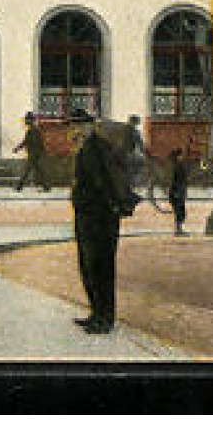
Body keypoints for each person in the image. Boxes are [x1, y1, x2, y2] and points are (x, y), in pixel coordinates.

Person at [69, 110, 135, 334]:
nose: (74, 131)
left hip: (97, 218)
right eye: (73, 126)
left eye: (79, 126)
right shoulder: (91, 148)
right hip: (93, 217)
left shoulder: (93, 150)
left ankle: (104, 318)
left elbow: (102, 183)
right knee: (91, 268)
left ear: (89, 126)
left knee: (99, 269)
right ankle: (97, 313)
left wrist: (109, 208)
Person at [13, 112, 52, 192]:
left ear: (30, 120)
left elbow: (29, 142)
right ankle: (46, 186)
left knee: (27, 170)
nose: (25, 121)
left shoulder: (33, 130)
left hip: (34, 154)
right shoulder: (32, 130)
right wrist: (17, 148)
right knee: (38, 171)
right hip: (35, 154)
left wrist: (18, 148)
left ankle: (19, 186)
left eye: (27, 120)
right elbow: (26, 142)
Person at [167, 147, 190, 235]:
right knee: (180, 212)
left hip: (177, 192)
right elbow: (174, 180)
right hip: (177, 192)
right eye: (181, 155)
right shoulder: (177, 166)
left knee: (180, 211)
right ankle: (178, 230)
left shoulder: (176, 165)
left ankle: (178, 229)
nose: (182, 157)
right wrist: (176, 192)